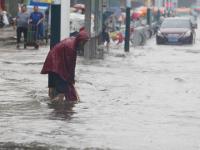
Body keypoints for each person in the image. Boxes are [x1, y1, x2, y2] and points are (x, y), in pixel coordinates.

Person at [41, 27, 89, 102]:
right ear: (80, 40)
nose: (84, 45)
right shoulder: (71, 48)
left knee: (54, 90)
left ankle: (52, 106)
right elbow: (70, 66)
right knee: (62, 93)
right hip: (56, 65)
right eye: (84, 42)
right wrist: (71, 80)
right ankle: (55, 106)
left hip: (53, 62)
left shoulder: (73, 41)